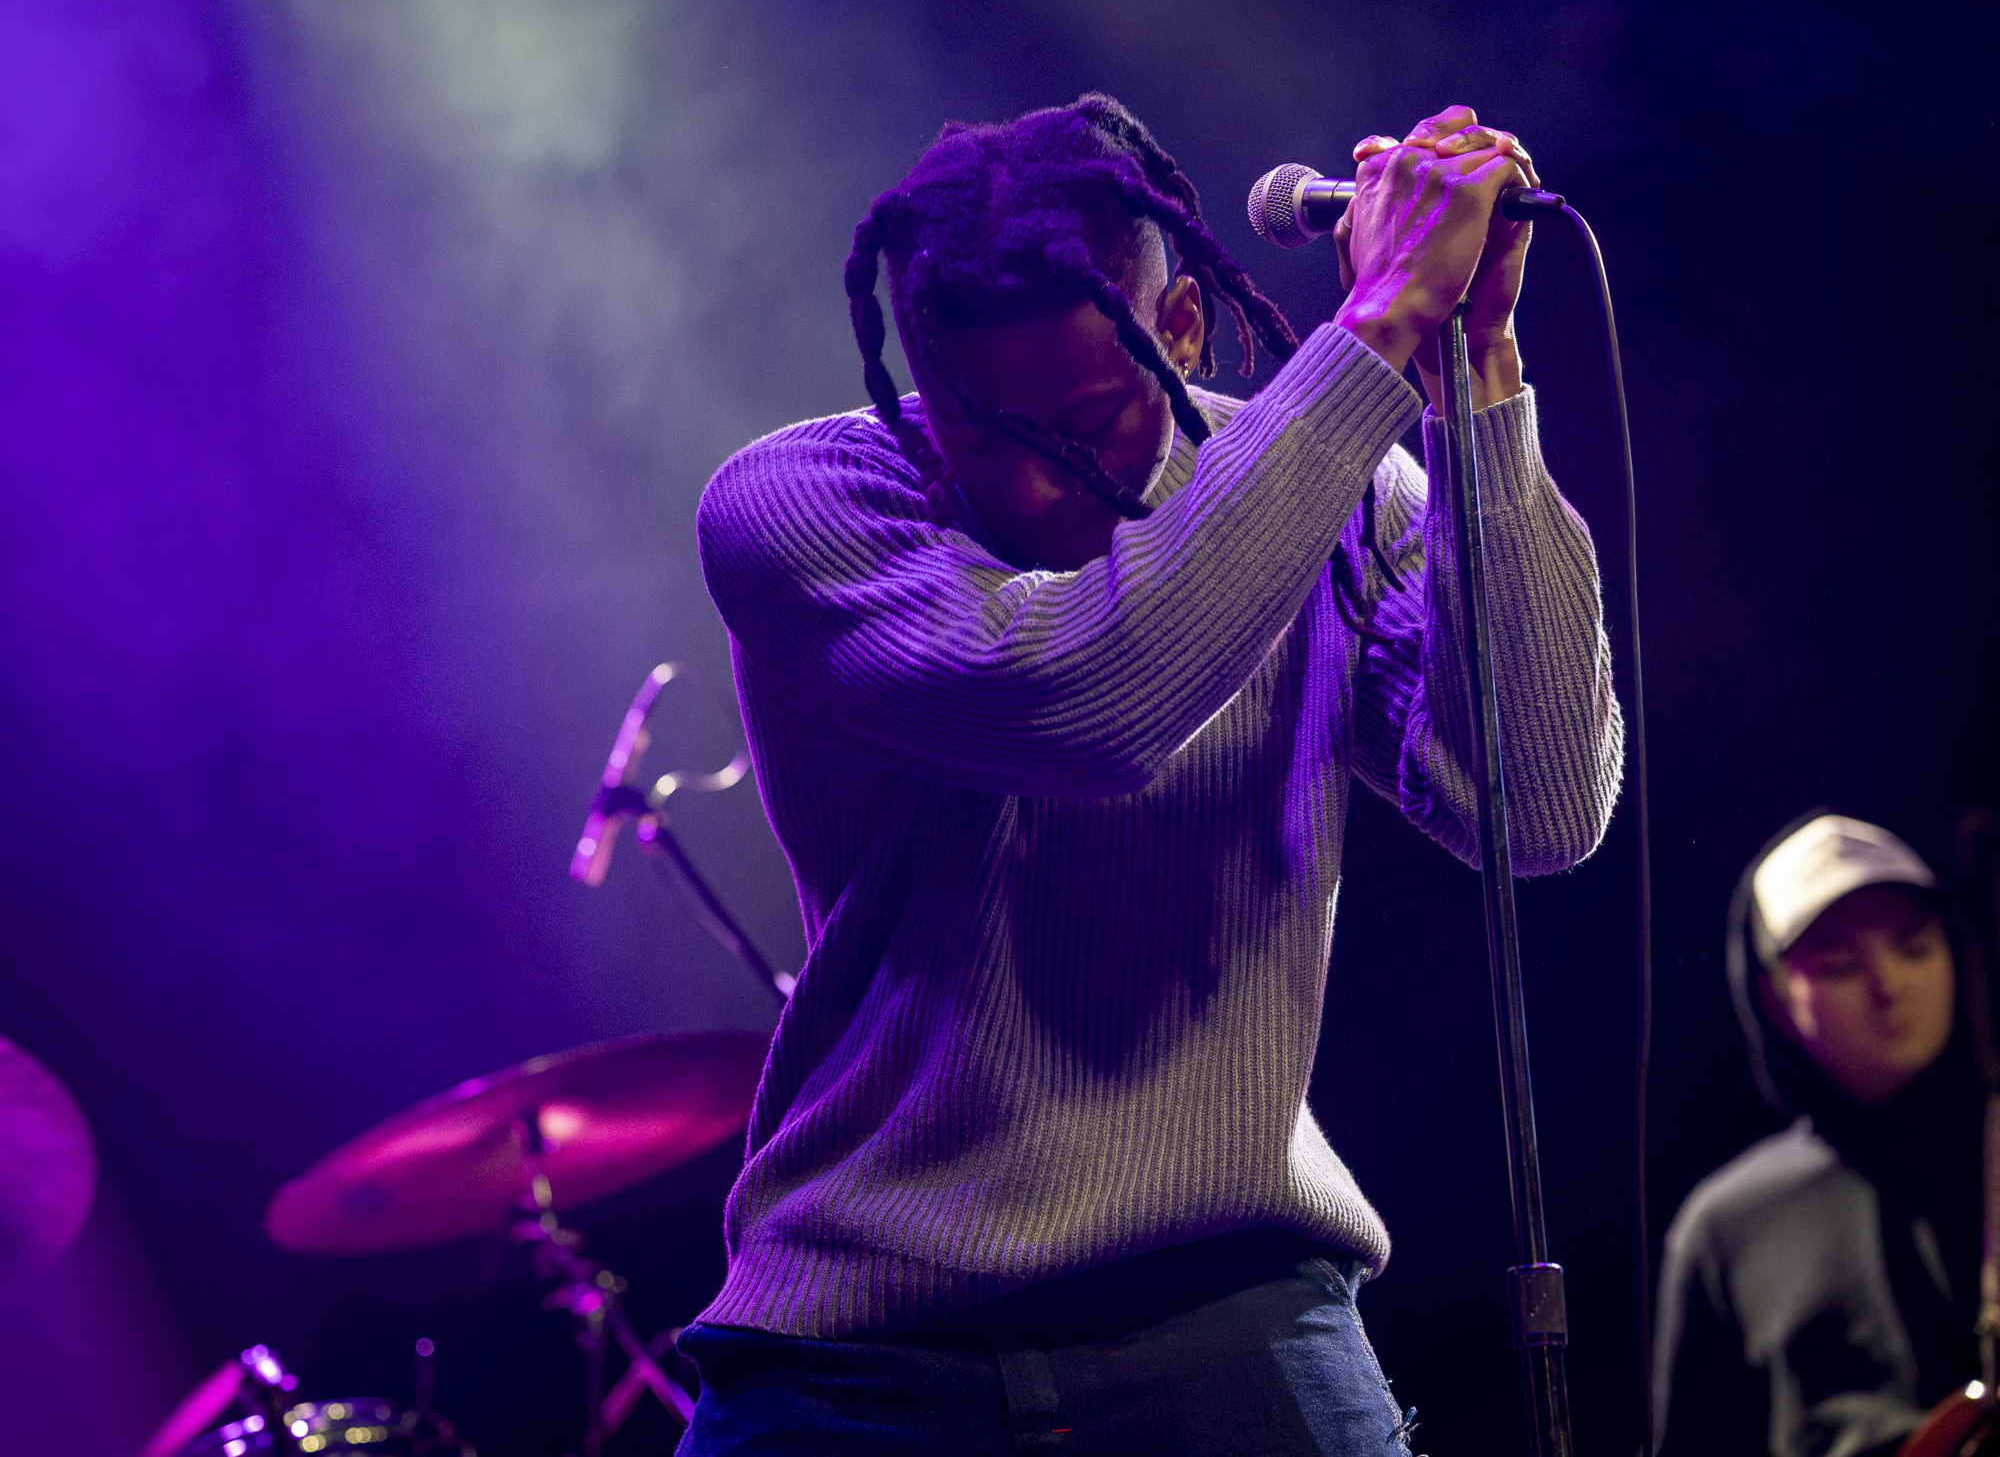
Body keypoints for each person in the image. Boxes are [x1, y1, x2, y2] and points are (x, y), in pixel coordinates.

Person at [682, 93, 1624, 1454]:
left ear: (1180, 329)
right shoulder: (800, 504)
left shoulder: (1327, 482)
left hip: (1233, 1318)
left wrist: (1470, 364)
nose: (1035, 486)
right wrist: (1372, 332)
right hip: (860, 1357)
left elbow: (1536, 806)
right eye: (982, 431)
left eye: (1081, 423)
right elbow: (1087, 703)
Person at [1654, 812, 1985, 1455]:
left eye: (1915, 948)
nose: (1889, 986)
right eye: (1838, 964)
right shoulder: (1724, 1225)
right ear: (1773, 998)